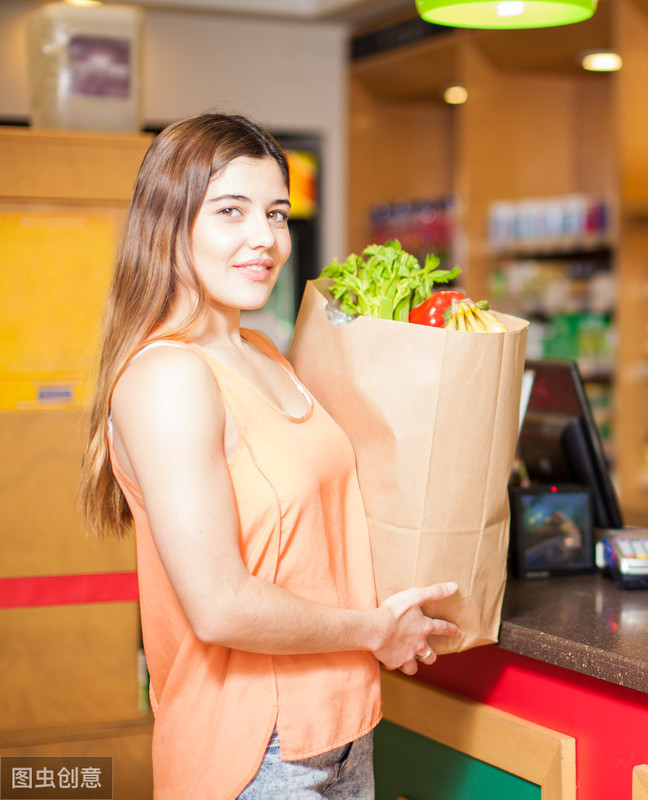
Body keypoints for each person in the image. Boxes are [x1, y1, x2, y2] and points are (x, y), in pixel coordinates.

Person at [79, 113, 460, 799]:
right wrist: (377, 629)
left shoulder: (263, 353)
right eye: (232, 212)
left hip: (341, 729)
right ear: (169, 224)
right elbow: (220, 605)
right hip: (256, 752)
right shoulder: (169, 377)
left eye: (278, 215)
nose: (265, 239)